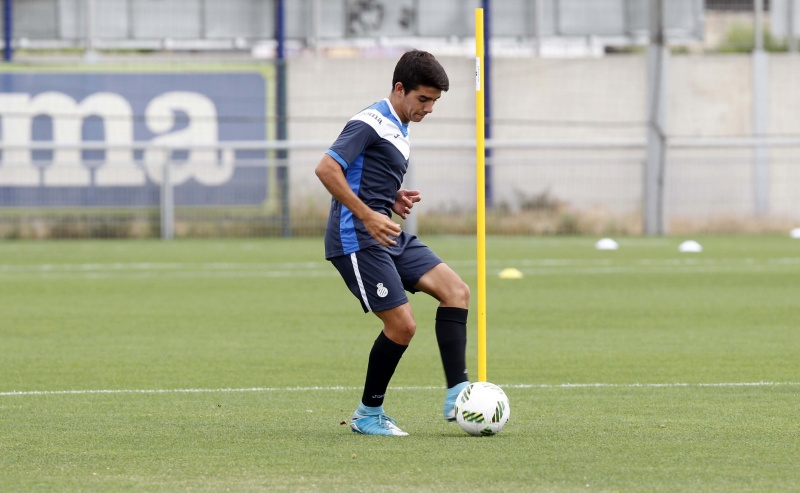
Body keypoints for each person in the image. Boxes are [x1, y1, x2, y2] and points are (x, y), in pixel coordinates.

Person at [315, 50, 471, 436]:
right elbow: (327, 168)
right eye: (423, 99)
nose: (429, 108)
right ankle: (368, 414)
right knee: (402, 326)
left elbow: (364, 174)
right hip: (357, 237)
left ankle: (458, 393)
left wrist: (390, 197)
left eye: (434, 101)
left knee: (456, 291)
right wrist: (368, 212)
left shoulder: (399, 123)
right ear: (399, 89)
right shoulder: (369, 122)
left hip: (386, 232)